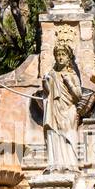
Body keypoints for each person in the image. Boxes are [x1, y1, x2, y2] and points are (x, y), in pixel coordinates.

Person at [35, 40, 85, 172]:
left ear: (68, 58)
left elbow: (78, 95)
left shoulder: (73, 75)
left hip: (68, 109)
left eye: (63, 54)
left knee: (69, 135)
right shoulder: (51, 74)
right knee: (55, 134)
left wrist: (69, 82)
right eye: (58, 54)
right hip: (54, 109)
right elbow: (48, 93)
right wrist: (46, 83)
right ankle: (55, 163)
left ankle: (70, 164)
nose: (60, 57)